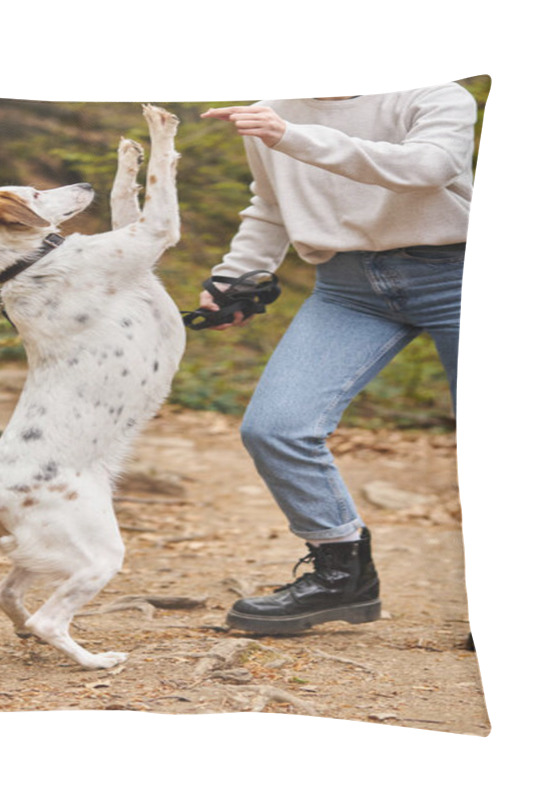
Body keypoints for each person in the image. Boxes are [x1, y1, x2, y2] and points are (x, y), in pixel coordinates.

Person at [199, 83, 477, 635]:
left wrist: (291, 135)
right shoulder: (271, 108)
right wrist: (236, 276)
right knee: (276, 428)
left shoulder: (435, 92)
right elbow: (272, 201)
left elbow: (429, 166)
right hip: (347, 288)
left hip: (460, 274)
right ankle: (341, 574)